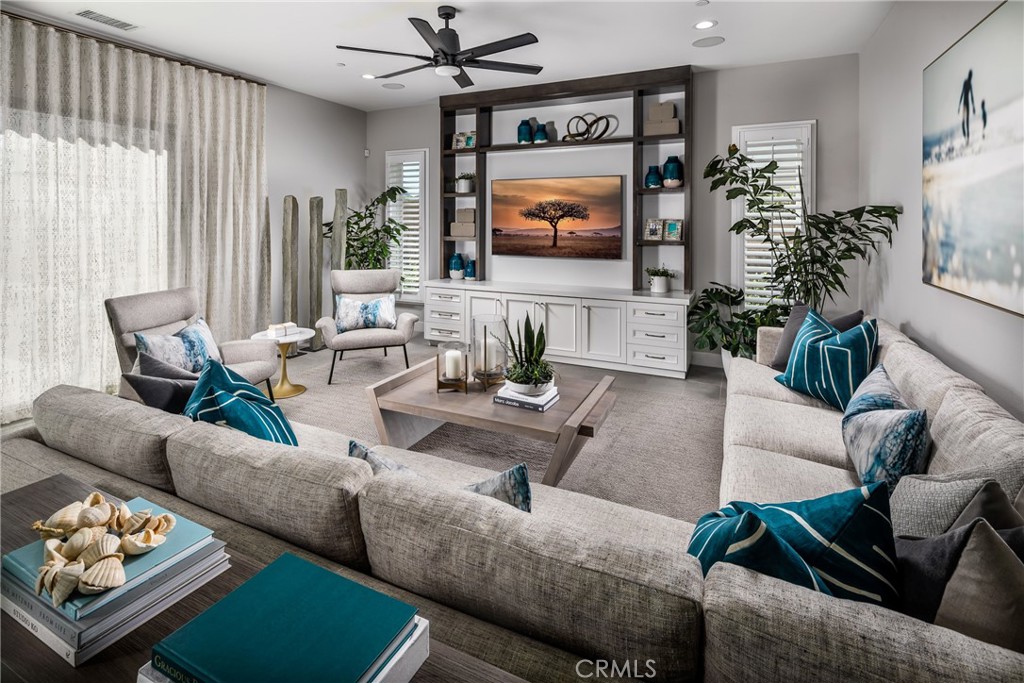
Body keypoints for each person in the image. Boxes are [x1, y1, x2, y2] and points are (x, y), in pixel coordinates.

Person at [958, 69, 976, 142]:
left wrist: (973, 106)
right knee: (963, 121)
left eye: (971, 76)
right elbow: (962, 93)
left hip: (967, 103)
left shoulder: (970, 84)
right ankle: (965, 135)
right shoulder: (965, 82)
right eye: (970, 76)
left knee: (967, 121)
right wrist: (959, 105)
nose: (971, 78)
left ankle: (967, 138)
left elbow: (971, 95)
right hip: (964, 104)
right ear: (969, 75)